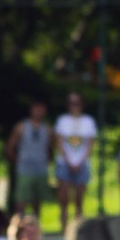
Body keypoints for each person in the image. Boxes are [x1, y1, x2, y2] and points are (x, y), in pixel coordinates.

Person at [52, 92, 96, 223]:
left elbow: (90, 144)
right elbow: (59, 143)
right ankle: (64, 229)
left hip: (82, 164)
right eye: (72, 103)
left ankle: (78, 229)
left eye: (77, 103)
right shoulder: (62, 120)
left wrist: (79, 162)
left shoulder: (88, 121)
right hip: (64, 163)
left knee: (79, 199)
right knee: (64, 199)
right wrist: (69, 161)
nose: (74, 106)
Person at [5, 100, 53, 217]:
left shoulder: (47, 129)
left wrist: (47, 162)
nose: (39, 112)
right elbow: (10, 148)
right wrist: (19, 162)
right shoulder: (21, 126)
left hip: (40, 169)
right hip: (24, 169)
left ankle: (35, 226)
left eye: (41, 109)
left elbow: (50, 149)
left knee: (37, 201)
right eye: (36, 108)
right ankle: (18, 224)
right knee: (21, 200)